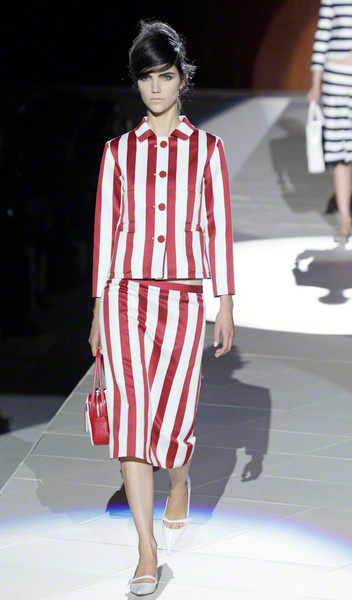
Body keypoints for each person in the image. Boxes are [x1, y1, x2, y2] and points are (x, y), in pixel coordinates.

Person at [88, 20, 235, 596]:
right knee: (131, 417)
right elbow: (106, 234)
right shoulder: (117, 154)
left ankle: (179, 479)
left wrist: (225, 300)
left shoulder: (208, 150)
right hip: (126, 295)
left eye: (165, 76)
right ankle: (146, 551)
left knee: (173, 419)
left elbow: (218, 228)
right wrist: (98, 309)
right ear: (137, 83)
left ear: (182, 79)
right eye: (146, 77)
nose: (155, 88)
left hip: (181, 298)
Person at [307, 0, 352, 243]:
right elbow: (322, 37)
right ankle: (345, 217)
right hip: (336, 78)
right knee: (339, 151)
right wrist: (316, 85)